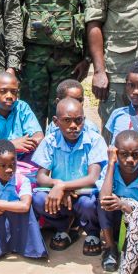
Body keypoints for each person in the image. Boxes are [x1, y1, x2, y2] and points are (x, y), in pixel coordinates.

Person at [32, 97, 107, 255]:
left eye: (78, 120)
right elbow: (41, 176)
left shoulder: (94, 140)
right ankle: (63, 226)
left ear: (84, 119)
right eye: (67, 120)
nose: (74, 126)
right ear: (56, 121)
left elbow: (93, 178)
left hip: (84, 193)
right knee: (38, 199)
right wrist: (57, 184)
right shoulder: (50, 141)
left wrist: (63, 186)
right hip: (61, 194)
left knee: (89, 204)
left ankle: (92, 232)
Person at [97, 131, 138, 274]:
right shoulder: (110, 171)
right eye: (123, 154)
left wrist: (126, 207)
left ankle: (136, 250)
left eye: (135, 155)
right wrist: (111, 163)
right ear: (116, 154)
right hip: (114, 223)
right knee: (104, 202)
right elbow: (103, 198)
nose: (130, 160)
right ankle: (110, 248)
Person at [0, 139, 47, 261]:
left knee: (24, 211)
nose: (9, 169)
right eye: (3, 166)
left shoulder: (22, 181)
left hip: (17, 224)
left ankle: (26, 248)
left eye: (13, 165)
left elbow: (25, 206)